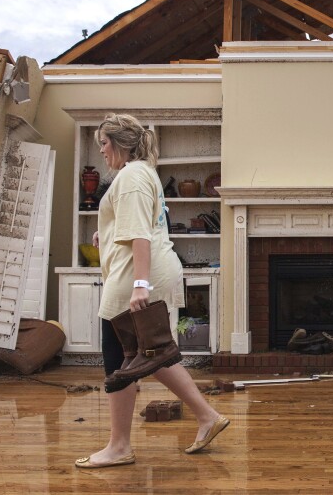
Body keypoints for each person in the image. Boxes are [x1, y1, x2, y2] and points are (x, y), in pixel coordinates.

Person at [75, 113, 229, 469]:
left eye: (103, 143)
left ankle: (119, 446)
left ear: (117, 143)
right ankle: (207, 416)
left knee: (119, 357)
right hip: (151, 267)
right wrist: (107, 234)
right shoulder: (143, 172)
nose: (101, 151)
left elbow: (141, 234)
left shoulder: (129, 177)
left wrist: (140, 285)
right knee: (148, 351)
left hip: (135, 274)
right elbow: (142, 222)